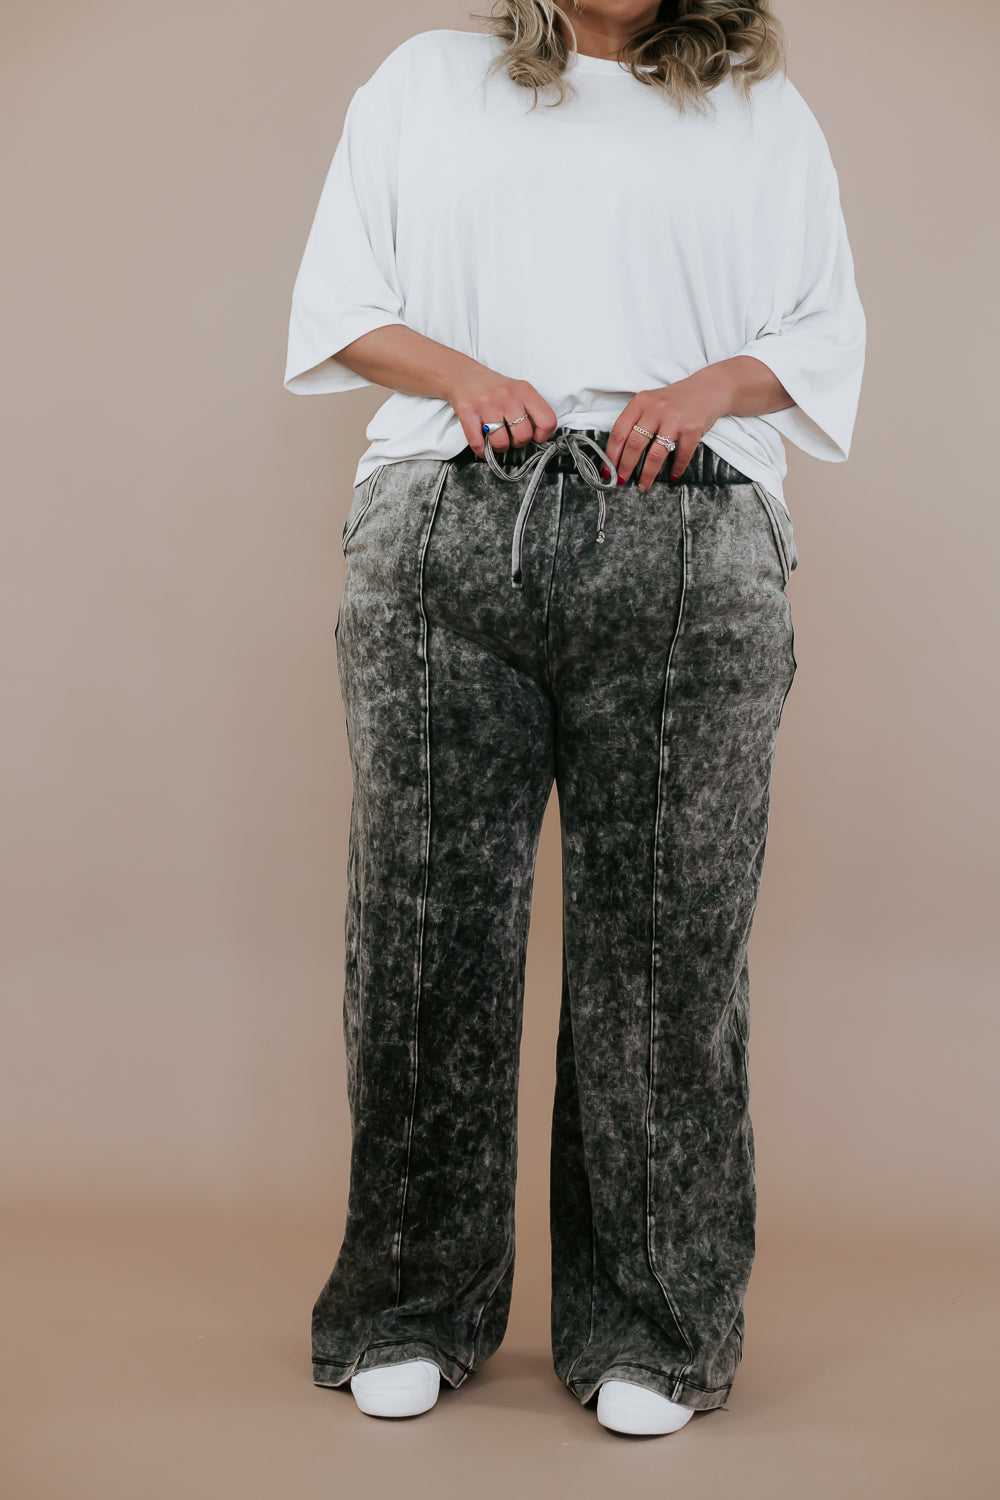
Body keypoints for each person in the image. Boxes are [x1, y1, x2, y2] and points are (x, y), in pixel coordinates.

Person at [283, 0, 865, 1437]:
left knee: (666, 958)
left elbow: (820, 331)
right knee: (425, 942)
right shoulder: (428, 80)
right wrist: (464, 374)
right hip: (448, 529)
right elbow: (344, 304)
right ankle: (410, 1303)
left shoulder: (757, 112)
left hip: (691, 539)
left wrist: (711, 385)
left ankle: (653, 1330)